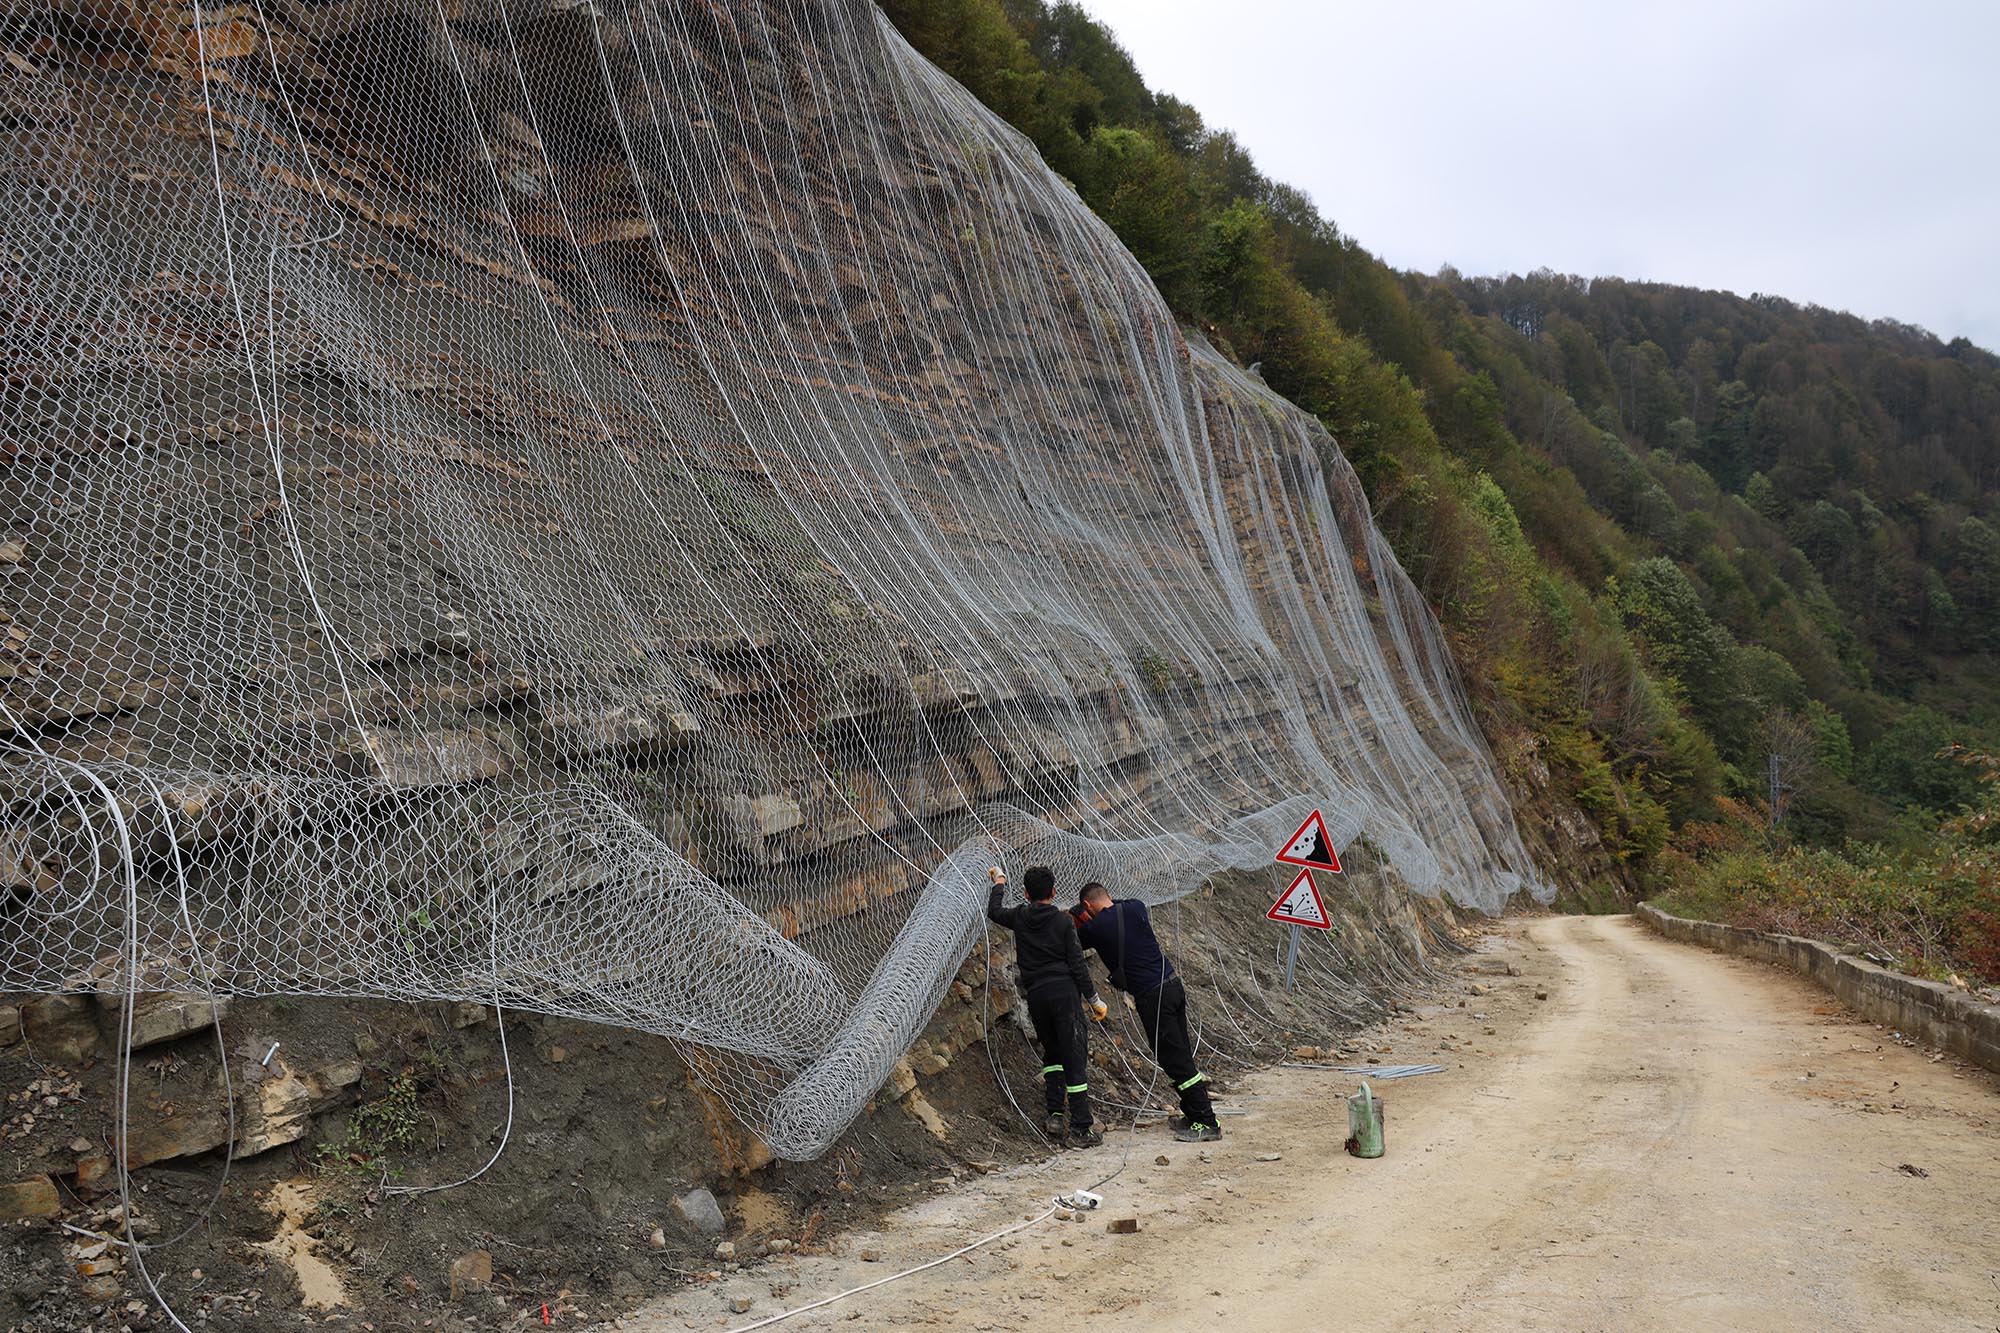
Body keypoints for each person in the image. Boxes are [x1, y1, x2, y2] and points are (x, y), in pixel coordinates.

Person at [1070, 882, 1220, 1142]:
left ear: (1087, 905)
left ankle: (1206, 1122)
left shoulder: (1095, 928)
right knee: (1181, 1052)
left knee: (1173, 1058)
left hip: (1153, 997)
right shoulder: (1136, 908)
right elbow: (1116, 907)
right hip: (1172, 986)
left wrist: (1080, 918)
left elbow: (1072, 942)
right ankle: (1193, 1113)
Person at [986, 865, 1107, 1148]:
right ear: (1054, 891)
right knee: (1074, 1057)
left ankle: (1055, 1115)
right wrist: (1094, 1000)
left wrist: (999, 881)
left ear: (1026, 893)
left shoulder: (1020, 917)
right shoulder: (1063, 922)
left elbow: (994, 911)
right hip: (1064, 994)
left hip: (1037, 996)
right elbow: (1077, 964)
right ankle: (1080, 1129)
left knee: (1052, 1054)